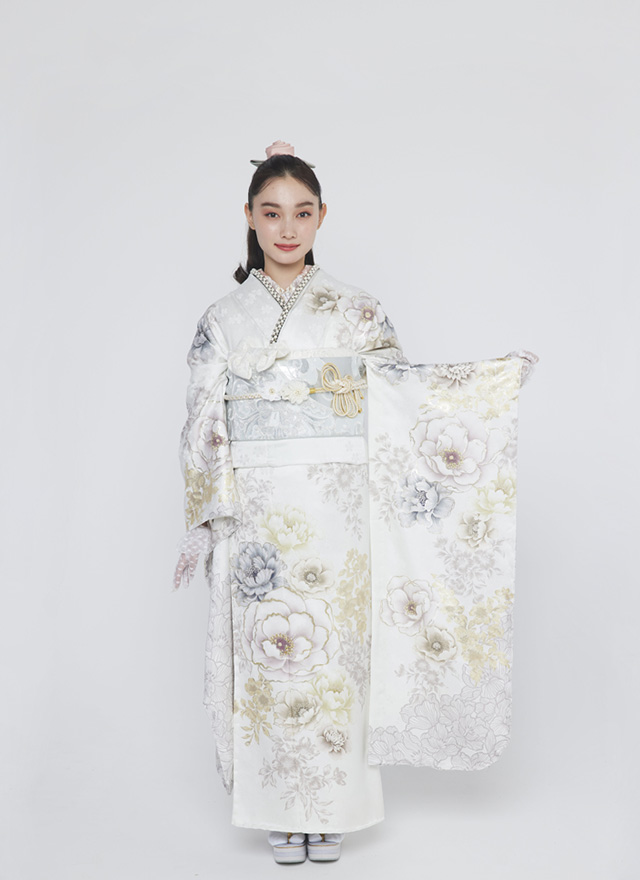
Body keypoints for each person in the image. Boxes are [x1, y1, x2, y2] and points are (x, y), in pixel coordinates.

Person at [174, 141, 536, 865]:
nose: (286, 228)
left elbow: (403, 400)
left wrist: (483, 388)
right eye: (271, 213)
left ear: (321, 217)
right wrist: (211, 514)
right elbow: (202, 419)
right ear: (249, 216)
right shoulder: (224, 319)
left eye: (301, 212)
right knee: (270, 656)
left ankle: (332, 808)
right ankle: (276, 806)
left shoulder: (359, 312)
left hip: (340, 513)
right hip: (260, 515)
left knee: (336, 656)